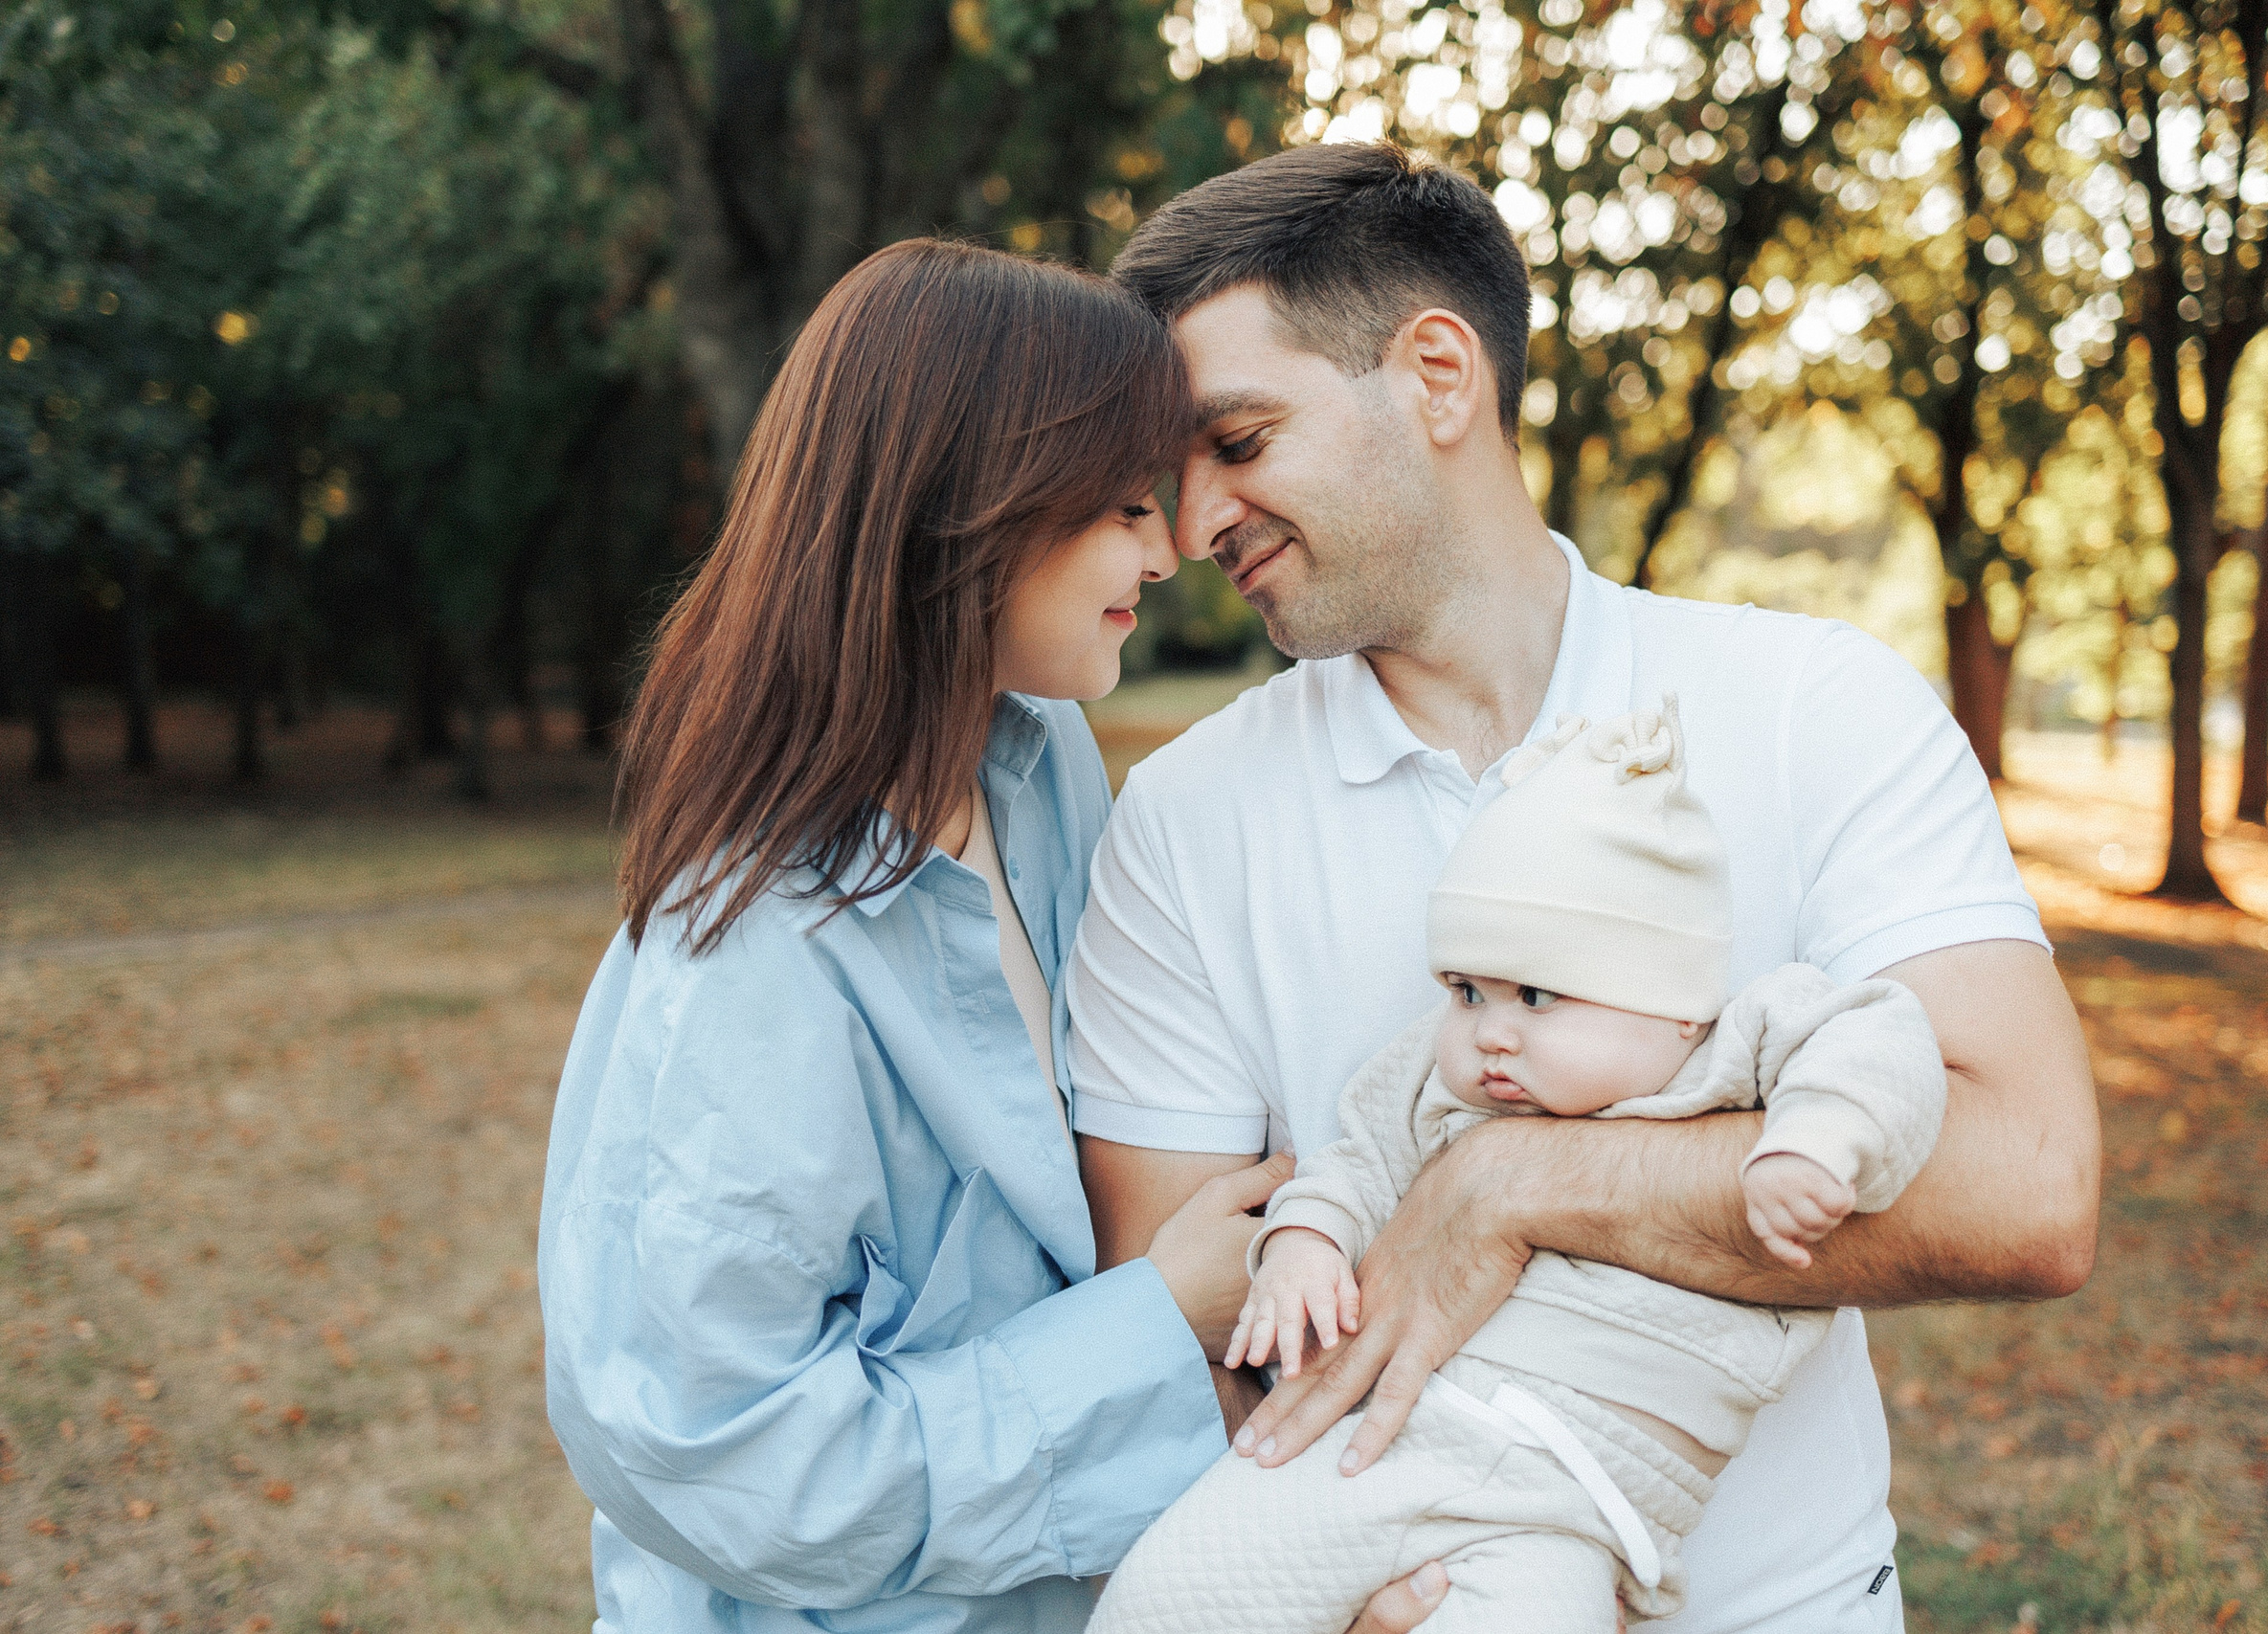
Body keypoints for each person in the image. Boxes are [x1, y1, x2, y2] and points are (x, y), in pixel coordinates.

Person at [1068, 143, 2100, 1633]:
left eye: (1237, 437)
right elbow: (1190, 1311)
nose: (1192, 518)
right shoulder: (1180, 818)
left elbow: (2032, 1184)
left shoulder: (1816, 703)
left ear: (1437, 375)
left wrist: (1514, 1181)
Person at [537, 239, 1448, 1634]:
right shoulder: (755, 951)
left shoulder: (1043, 768)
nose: (1166, 547)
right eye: (1119, 503)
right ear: (968, 507)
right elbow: (726, 1459)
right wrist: (1153, 1332)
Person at [1085, 700, 1947, 1631]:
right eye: (1464, 990)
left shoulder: (1738, 1054)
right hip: (1378, 1446)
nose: (1490, 1033)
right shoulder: (1438, 1084)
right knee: (1164, 1598)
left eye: (1536, 995)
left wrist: (1813, 1139)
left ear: (1673, 1005)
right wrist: (1300, 1242)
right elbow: (1350, 1166)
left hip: (1576, 1507)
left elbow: (1882, 1036)